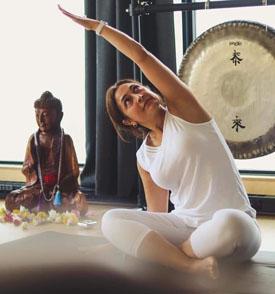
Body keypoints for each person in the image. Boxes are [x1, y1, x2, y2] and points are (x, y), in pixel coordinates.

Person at [58, 6, 261, 279]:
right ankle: (188, 264)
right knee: (111, 220)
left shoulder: (186, 112)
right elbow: (156, 218)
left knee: (231, 223)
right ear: (128, 120)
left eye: (136, 88)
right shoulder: (145, 158)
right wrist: (116, 241)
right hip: (185, 225)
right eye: (128, 101)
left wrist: (99, 27)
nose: (138, 95)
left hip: (232, 228)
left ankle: (175, 256)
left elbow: (141, 57)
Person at [5, 91, 88, 216]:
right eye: (37, 115)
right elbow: (26, 168)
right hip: (38, 188)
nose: (40, 120)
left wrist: (59, 184)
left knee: (78, 202)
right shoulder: (34, 139)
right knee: (12, 199)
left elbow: (74, 171)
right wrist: (30, 168)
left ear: (59, 116)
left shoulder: (65, 139)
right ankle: (51, 206)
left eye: (45, 115)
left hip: (60, 189)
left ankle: (53, 204)